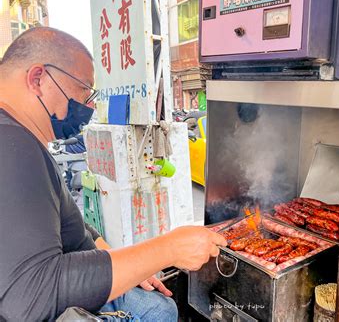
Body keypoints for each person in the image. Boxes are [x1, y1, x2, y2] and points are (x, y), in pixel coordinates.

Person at [0, 27, 227, 321]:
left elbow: (68, 224)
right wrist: (168, 249)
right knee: (157, 314)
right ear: (38, 79)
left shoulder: (24, 139)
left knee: (159, 307)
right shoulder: (12, 147)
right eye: (84, 90)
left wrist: (125, 263)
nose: (90, 106)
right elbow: (31, 299)